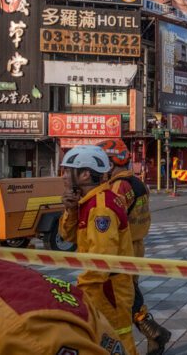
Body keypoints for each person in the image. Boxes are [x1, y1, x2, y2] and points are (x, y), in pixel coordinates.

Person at [58, 145, 138, 355]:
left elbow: (101, 261)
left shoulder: (101, 208)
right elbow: (67, 237)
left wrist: (81, 291)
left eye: (68, 171)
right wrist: (70, 210)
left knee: (118, 338)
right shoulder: (87, 202)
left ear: (85, 174)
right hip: (101, 286)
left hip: (107, 288)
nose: (64, 176)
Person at [97, 139, 171, 355]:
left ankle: (153, 332)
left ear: (111, 164)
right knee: (128, 292)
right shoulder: (138, 182)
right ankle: (153, 332)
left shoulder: (119, 186)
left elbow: (112, 218)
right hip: (135, 246)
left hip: (123, 248)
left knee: (122, 295)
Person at [0, 257, 128, 355]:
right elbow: (69, 236)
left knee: (123, 328)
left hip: (104, 284)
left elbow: (99, 256)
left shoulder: (22, 330)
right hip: (98, 287)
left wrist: (86, 285)